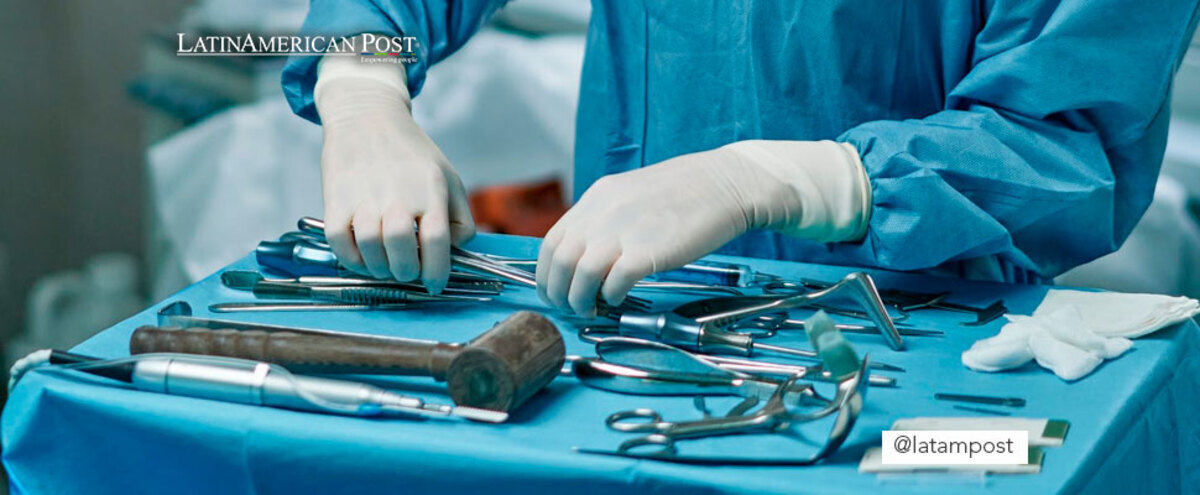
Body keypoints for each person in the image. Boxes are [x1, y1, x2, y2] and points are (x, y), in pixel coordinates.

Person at [283, 0, 1200, 317]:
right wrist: (360, 81)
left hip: (926, 325)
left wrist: (792, 181)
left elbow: (1066, 140)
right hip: (640, 305)